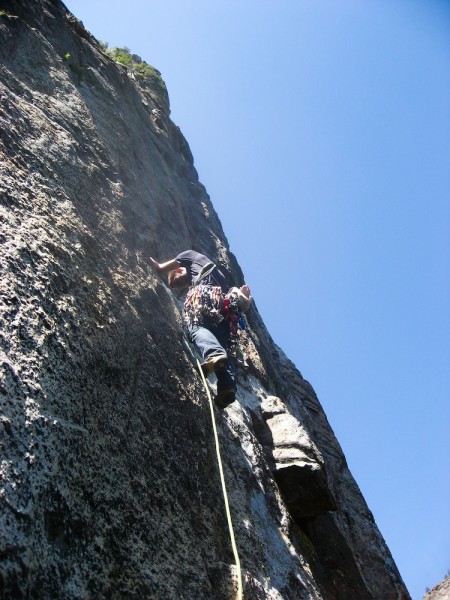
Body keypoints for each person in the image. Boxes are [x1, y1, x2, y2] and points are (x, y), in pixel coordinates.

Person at [150, 250, 252, 408]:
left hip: (206, 296)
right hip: (224, 309)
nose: (182, 285)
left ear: (179, 269)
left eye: (178, 281)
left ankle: (214, 354)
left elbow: (165, 266)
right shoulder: (213, 274)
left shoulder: (192, 257)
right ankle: (227, 386)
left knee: (195, 327)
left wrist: (159, 267)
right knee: (221, 344)